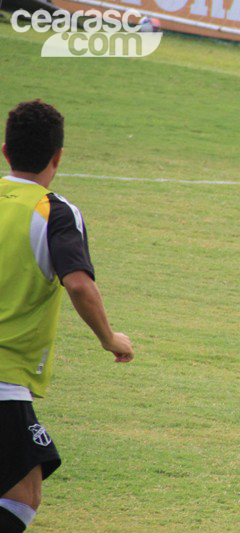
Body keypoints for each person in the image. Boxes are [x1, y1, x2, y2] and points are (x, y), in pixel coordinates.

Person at [0, 100, 134, 532]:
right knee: (22, 496)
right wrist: (110, 338)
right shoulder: (54, 212)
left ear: (5, 151)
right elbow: (78, 284)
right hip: (5, 375)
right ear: (57, 156)